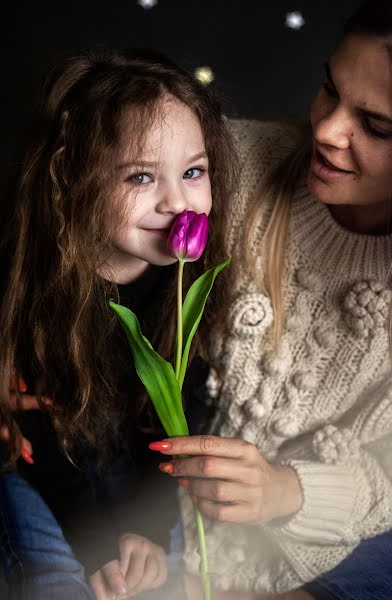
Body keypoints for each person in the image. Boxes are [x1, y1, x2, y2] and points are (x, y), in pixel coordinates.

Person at [147, 0, 392, 597]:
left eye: (378, 126)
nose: (328, 130)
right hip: (154, 519)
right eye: (328, 91)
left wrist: (290, 491)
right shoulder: (228, 165)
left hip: (344, 543)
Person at [0, 47, 238, 599]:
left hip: (136, 467)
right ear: (74, 180)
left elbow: (175, 421)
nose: (178, 201)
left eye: (194, 171)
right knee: (54, 580)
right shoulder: (35, 281)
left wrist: (144, 529)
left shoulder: (185, 286)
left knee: (161, 580)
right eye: (142, 177)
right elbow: (37, 433)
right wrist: (96, 541)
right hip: (42, 467)